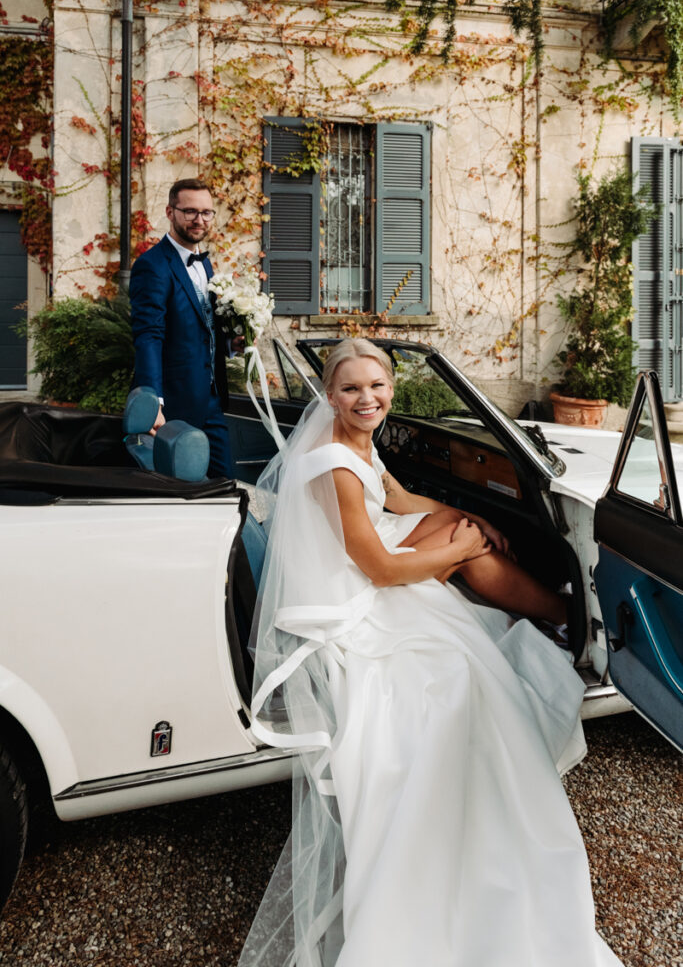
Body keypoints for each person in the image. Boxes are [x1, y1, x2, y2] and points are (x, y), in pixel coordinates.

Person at [239, 338, 624, 967]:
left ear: (391, 388)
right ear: (330, 396)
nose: (368, 399)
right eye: (353, 389)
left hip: (371, 558)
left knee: (466, 534)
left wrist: (466, 514)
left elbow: (398, 500)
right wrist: (462, 547)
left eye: (377, 386)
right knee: (466, 574)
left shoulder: (359, 442)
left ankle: (554, 610)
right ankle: (565, 615)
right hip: (354, 597)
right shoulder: (334, 460)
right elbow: (382, 571)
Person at [129, 178, 232, 478]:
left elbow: (202, 327)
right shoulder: (152, 265)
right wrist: (152, 402)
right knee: (181, 492)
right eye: (189, 212)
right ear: (170, 212)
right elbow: (148, 335)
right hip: (174, 401)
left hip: (211, 398)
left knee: (225, 485)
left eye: (206, 212)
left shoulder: (206, 265)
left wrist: (230, 344)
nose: (199, 220)